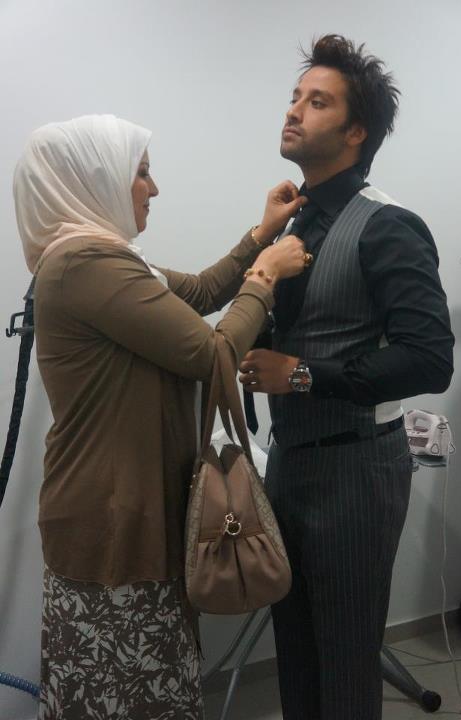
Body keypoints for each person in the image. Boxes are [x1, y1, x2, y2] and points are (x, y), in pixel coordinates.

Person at [12, 114, 307, 720]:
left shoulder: (105, 259)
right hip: (113, 522)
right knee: (128, 696)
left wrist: (261, 234)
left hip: (122, 507)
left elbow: (198, 292)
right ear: (93, 178)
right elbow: (214, 355)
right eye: (140, 173)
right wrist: (265, 276)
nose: (154, 188)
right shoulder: (86, 263)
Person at [239, 35, 454, 720]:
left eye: (317, 101)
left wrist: (302, 375)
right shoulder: (291, 224)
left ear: (356, 131)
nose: (294, 110)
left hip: (356, 471)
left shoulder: (388, 226)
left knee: (347, 660)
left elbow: (430, 357)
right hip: (289, 464)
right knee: (295, 652)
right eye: (295, 97)